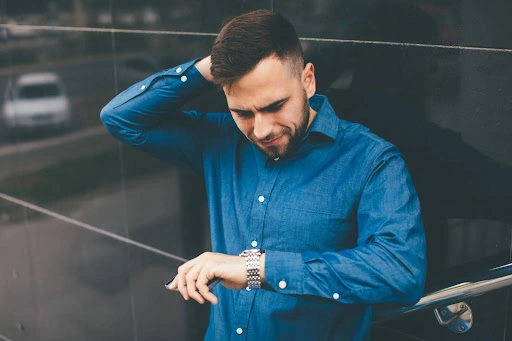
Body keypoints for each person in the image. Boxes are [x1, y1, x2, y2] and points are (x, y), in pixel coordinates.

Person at [100, 9, 426, 341]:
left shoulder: (370, 159)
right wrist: (215, 66)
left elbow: (401, 272)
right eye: (242, 112)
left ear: (308, 80)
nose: (261, 129)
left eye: (274, 106)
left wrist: (259, 269)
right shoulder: (219, 140)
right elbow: (121, 118)